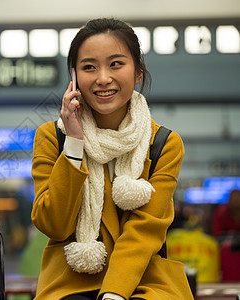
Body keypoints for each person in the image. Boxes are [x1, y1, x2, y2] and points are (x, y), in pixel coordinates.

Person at [31, 18, 193, 299]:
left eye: (116, 64)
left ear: (138, 72)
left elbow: (145, 231)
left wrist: (115, 293)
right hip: (72, 282)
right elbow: (53, 225)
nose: (103, 78)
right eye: (89, 67)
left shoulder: (164, 144)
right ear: (74, 76)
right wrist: (74, 143)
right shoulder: (52, 137)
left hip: (145, 281)